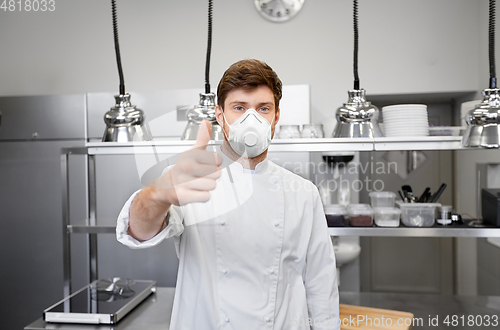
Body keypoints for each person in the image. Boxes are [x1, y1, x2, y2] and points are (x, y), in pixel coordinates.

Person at [116, 59, 340, 329]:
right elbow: (138, 233)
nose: (252, 118)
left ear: (276, 117)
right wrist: (156, 195)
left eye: (263, 108)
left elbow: (320, 283)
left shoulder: (303, 193)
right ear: (220, 116)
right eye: (239, 108)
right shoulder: (190, 180)